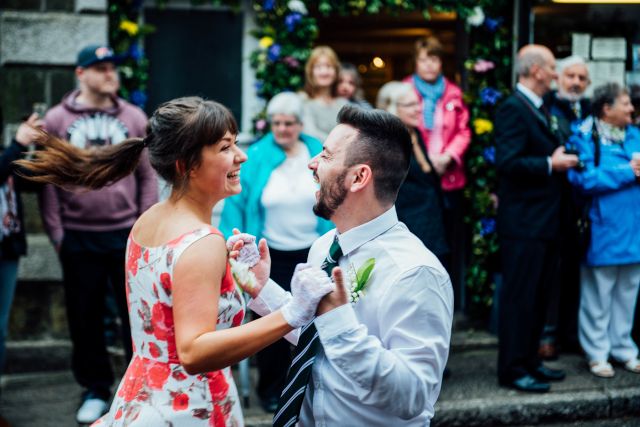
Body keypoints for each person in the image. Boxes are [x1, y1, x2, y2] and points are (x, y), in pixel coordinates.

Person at [16, 97, 334, 426]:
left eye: (236, 144)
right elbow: (194, 352)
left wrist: (253, 286)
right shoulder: (203, 242)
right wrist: (291, 314)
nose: (242, 156)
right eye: (225, 148)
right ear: (186, 165)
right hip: (187, 409)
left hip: (141, 399)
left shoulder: (147, 221)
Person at [240, 105, 453, 426]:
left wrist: (340, 323)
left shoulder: (415, 271)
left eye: (325, 156)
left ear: (358, 177)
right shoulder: (325, 247)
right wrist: (263, 288)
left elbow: (414, 396)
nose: (312, 163)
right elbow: (318, 339)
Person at [38, 44, 158, 423]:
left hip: (125, 233)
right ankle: (95, 388)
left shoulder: (134, 116)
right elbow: (49, 183)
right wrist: (58, 235)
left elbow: (147, 176)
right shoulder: (56, 120)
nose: (110, 74)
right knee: (84, 316)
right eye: (101, 68)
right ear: (80, 74)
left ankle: (138, 385)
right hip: (78, 235)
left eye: (113, 68)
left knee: (136, 315)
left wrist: (144, 228)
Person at [219, 92, 333, 412]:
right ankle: (270, 389)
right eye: (277, 123)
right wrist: (237, 245)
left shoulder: (316, 150)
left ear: (300, 124)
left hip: (312, 250)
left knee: (312, 320)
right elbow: (236, 204)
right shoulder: (256, 155)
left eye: (289, 123)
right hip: (271, 254)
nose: (282, 129)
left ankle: (310, 381)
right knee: (272, 325)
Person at [495, 44, 579, 393]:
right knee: (520, 298)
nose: (557, 74)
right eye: (552, 67)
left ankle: (530, 361)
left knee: (539, 297)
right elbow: (508, 163)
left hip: (545, 221)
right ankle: (513, 368)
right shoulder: (513, 108)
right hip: (524, 223)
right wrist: (550, 164)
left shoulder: (542, 107)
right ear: (536, 71)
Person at [567, 83, 640, 378]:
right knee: (598, 295)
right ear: (606, 109)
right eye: (625, 104)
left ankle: (624, 348)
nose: (632, 109)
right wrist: (627, 172)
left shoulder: (635, 133)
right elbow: (583, 179)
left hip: (635, 229)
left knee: (628, 293)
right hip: (603, 229)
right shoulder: (584, 135)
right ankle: (597, 352)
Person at [403, 36, 471, 306]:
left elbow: (463, 131)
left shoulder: (453, 92)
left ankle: (443, 303)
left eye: (434, 59)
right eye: (423, 59)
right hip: (417, 179)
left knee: (446, 243)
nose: (429, 65)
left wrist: (449, 156)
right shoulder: (405, 91)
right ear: (415, 62)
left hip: (448, 176)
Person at [539, 55, 592, 360]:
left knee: (575, 268)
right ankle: (547, 334)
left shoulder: (588, 110)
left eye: (581, 78)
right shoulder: (546, 106)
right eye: (570, 76)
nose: (575, 82)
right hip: (551, 202)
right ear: (558, 77)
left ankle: (572, 333)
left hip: (581, 203)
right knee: (552, 271)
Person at [377, 81, 448, 262]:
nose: (418, 109)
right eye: (410, 105)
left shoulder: (414, 133)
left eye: (418, 103)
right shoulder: (389, 144)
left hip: (432, 223)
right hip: (410, 229)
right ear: (392, 108)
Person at [0, 114, 41, 427]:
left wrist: (38, 149)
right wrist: (18, 144)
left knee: (1, 326)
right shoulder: (9, 150)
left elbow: (24, 179)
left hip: (7, 247)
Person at [300, 46, 349, 141]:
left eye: (329, 66)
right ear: (311, 72)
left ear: (336, 71)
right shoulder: (303, 101)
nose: (324, 72)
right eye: (318, 67)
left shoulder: (343, 103)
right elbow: (311, 136)